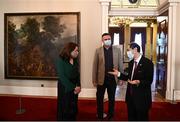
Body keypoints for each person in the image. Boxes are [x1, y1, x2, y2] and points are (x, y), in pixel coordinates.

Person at [109, 42, 154, 121]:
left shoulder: (148, 63)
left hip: (142, 99)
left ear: (135, 49)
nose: (127, 52)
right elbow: (129, 77)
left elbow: (149, 80)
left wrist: (138, 81)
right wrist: (118, 74)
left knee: (142, 118)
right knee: (131, 118)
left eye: (128, 50)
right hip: (130, 97)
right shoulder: (131, 63)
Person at [92, 33, 124, 120]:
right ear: (102, 41)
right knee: (99, 99)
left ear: (111, 39)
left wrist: (121, 78)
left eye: (109, 39)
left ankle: (111, 116)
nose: (107, 40)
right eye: (105, 39)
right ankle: (100, 115)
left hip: (112, 79)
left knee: (112, 98)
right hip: (101, 79)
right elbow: (95, 66)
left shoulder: (117, 50)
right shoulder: (98, 51)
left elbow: (120, 64)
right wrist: (94, 80)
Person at [56, 42, 81, 121]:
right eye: (76, 51)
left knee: (73, 105)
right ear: (70, 50)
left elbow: (77, 73)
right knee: (65, 105)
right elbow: (62, 76)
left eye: (78, 51)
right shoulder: (61, 60)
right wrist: (74, 88)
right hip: (64, 86)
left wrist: (79, 85)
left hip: (74, 85)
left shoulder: (75, 59)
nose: (78, 52)